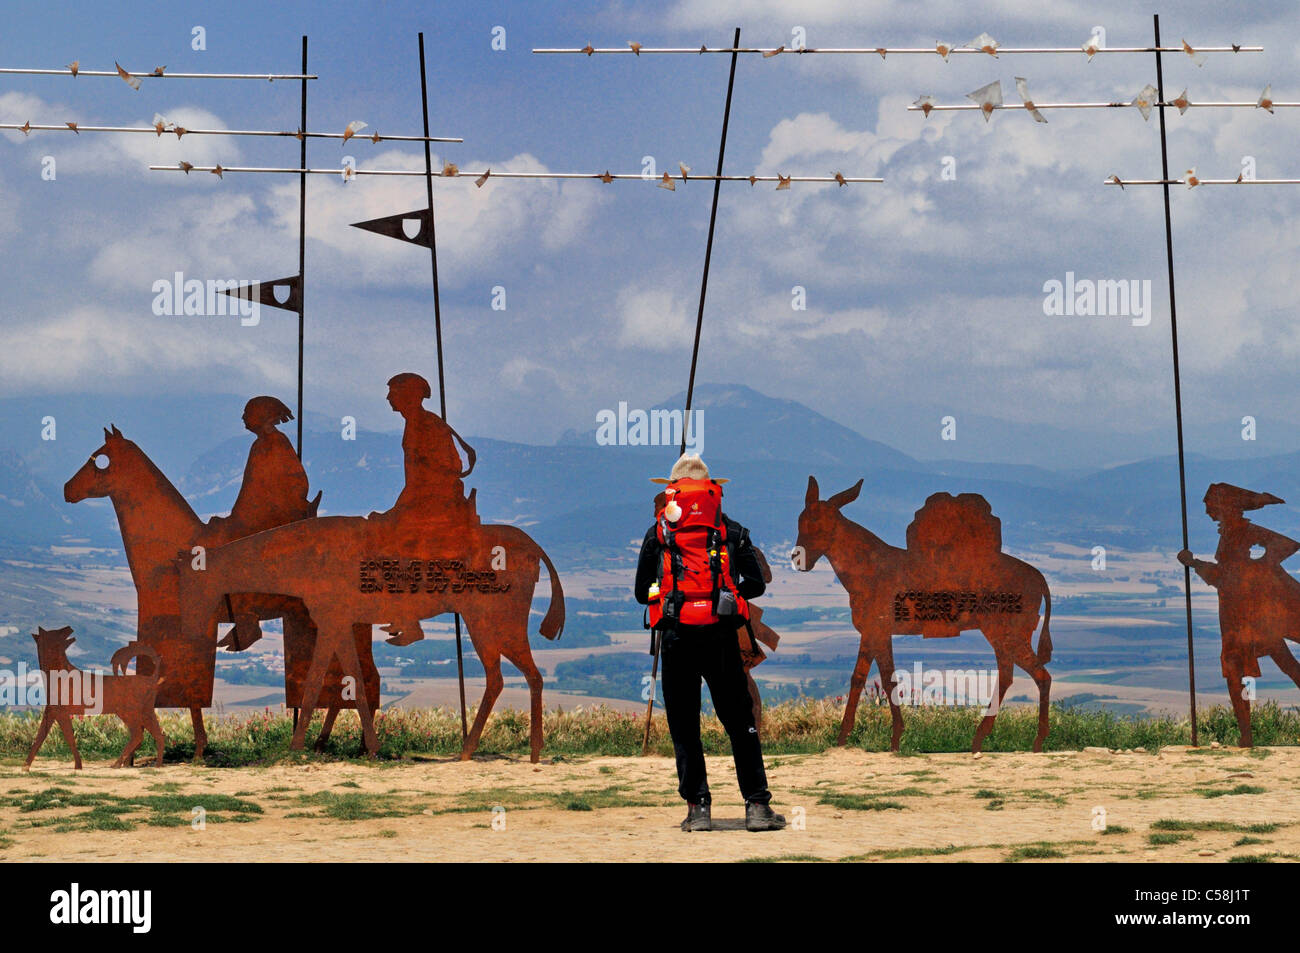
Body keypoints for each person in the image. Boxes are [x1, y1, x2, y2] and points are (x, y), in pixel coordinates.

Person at [635, 453, 785, 832]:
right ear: (713, 491)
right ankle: (756, 806)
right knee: (739, 721)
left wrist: (669, 596)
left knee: (685, 725)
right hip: (720, 636)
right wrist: (725, 593)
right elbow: (757, 584)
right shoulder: (732, 531)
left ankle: (698, 809)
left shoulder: (658, 534)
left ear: (672, 491)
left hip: (675, 637)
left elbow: (640, 592)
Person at [382, 372, 476, 521]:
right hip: (424, 502)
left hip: (435, 505)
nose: (388, 398)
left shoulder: (427, 425)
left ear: (409, 395)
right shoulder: (415, 423)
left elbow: (427, 480)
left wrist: (397, 511)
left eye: (393, 392)